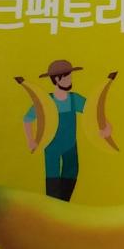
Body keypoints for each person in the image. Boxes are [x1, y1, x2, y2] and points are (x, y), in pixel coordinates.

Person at [23, 59, 110, 201]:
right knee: (52, 180)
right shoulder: (46, 101)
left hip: (70, 146)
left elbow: (94, 112)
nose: (70, 80)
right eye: (67, 77)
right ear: (57, 79)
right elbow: (27, 119)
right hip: (52, 147)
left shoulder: (74, 99)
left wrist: (106, 126)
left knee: (71, 174)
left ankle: (63, 205)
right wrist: (30, 140)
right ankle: (53, 207)